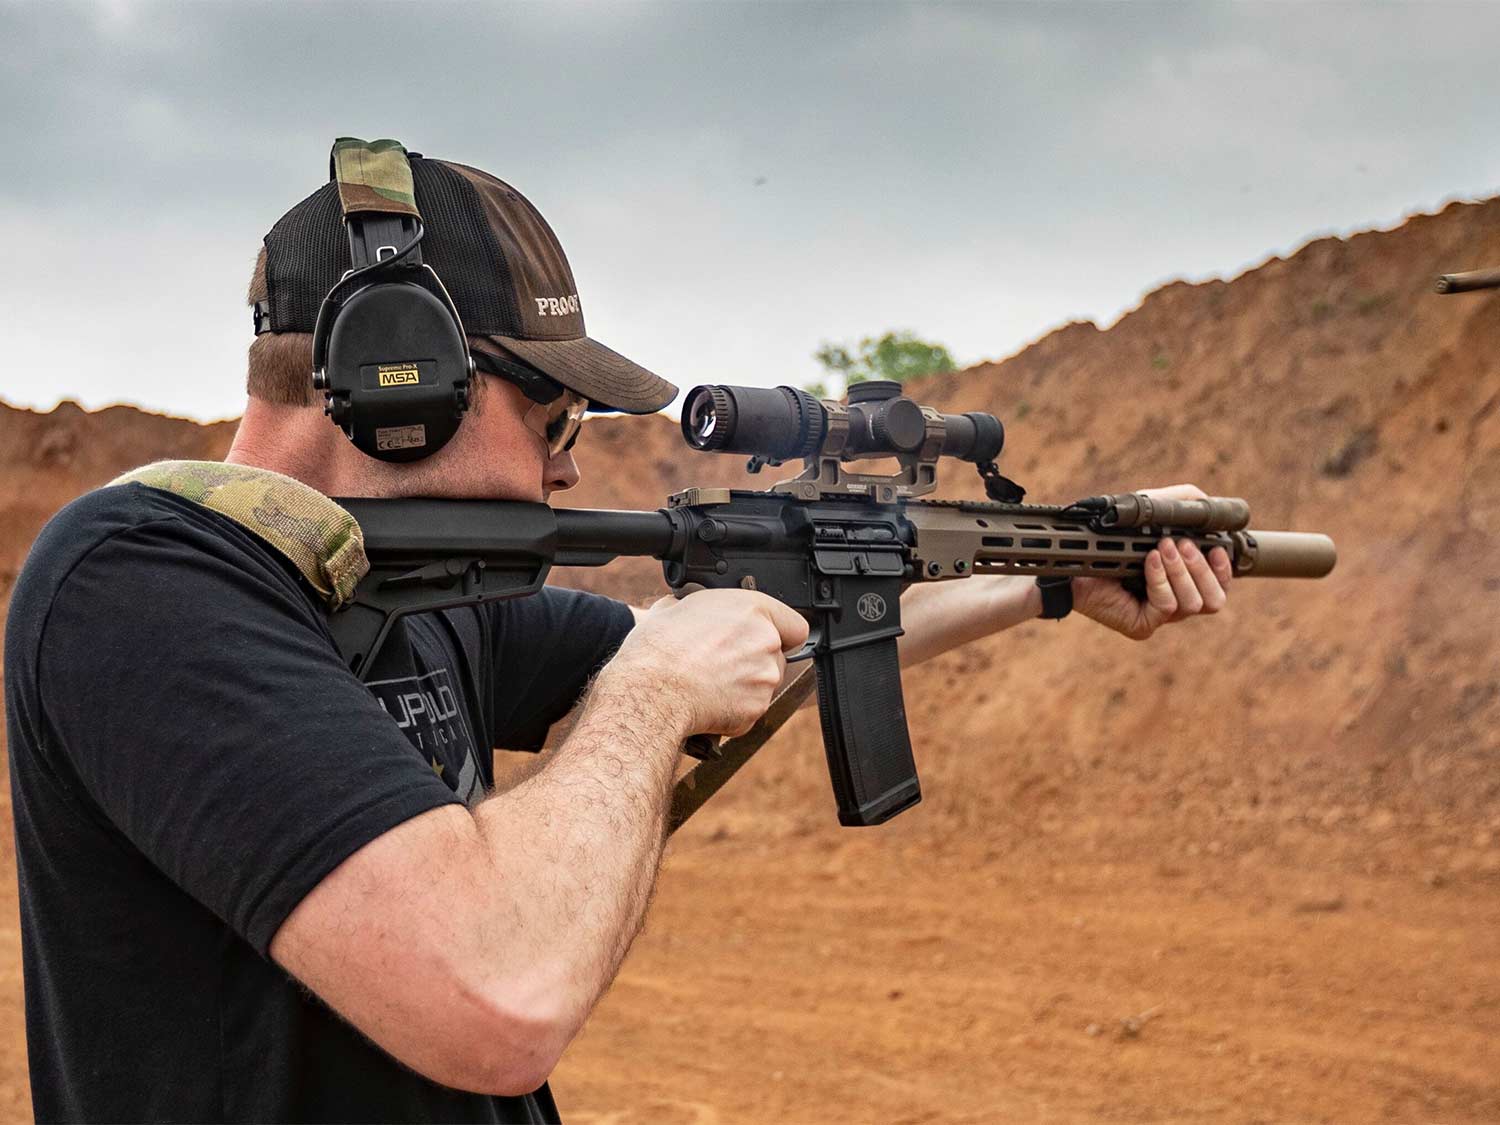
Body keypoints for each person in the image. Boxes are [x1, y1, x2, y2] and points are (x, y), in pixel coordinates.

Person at [3, 150, 1234, 1124]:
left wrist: (1060, 572)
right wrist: (652, 688)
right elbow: (496, 995)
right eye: (550, 413)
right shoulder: (143, 584)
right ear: (398, 378)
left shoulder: (405, 585)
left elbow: (774, 633)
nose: (569, 460)